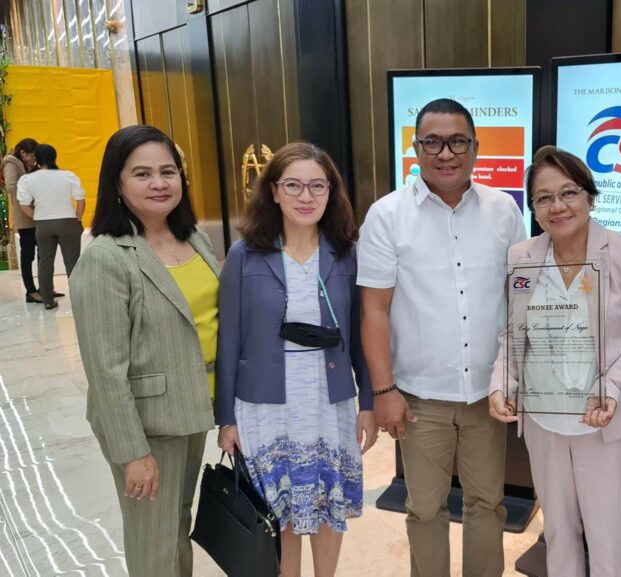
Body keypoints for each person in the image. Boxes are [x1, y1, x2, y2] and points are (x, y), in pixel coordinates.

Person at [358, 98, 526, 577]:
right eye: (432, 141)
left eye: (457, 141)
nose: (445, 152)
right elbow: (373, 308)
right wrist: (384, 391)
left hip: (487, 395)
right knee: (426, 509)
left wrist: (516, 376)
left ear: (475, 147)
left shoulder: (503, 211)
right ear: (416, 148)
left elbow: (519, 299)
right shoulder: (387, 215)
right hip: (418, 396)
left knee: (487, 504)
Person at [488, 146, 621, 577]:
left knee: (607, 535)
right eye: (543, 198)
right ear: (532, 206)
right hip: (545, 418)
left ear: (589, 195)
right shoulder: (522, 256)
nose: (557, 206)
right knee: (558, 531)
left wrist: (613, 386)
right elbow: (515, 334)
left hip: (601, 418)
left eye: (568, 192)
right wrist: (500, 384)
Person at [216, 142, 376, 577]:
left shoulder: (345, 254)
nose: (306, 197)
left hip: (330, 399)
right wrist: (226, 418)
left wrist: (368, 404)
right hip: (266, 405)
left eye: (317, 186)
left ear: (331, 192)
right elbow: (228, 340)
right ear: (273, 192)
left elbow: (361, 333)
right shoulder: (244, 255)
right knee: (279, 509)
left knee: (326, 502)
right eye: (293, 185)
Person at [70, 125, 218, 577]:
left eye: (167, 171)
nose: (159, 183)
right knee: (153, 546)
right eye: (142, 173)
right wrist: (133, 453)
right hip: (147, 426)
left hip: (194, 411)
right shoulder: (107, 259)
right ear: (116, 183)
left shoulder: (194, 238)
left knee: (176, 526)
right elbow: (106, 371)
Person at [17, 143, 85, 309]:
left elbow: (23, 205)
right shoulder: (68, 175)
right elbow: (80, 200)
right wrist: (77, 218)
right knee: (73, 263)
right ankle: (79, 300)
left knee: (45, 263)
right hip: (68, 222)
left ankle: (47, 300)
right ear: (55, 157)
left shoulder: (28, 179)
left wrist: (38, 217)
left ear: (36, 158)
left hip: (43, 224)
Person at [3, 138, 45, 303]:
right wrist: (29, 199)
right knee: (28, 255)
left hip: (37, 214)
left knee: (44, 253)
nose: (34, 159)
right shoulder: (11, 162)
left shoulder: (26, 165)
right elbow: (11, 186)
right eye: (32, 156)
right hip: (25, 216)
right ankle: (31, 291)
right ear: (22, 153)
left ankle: (45, 288)